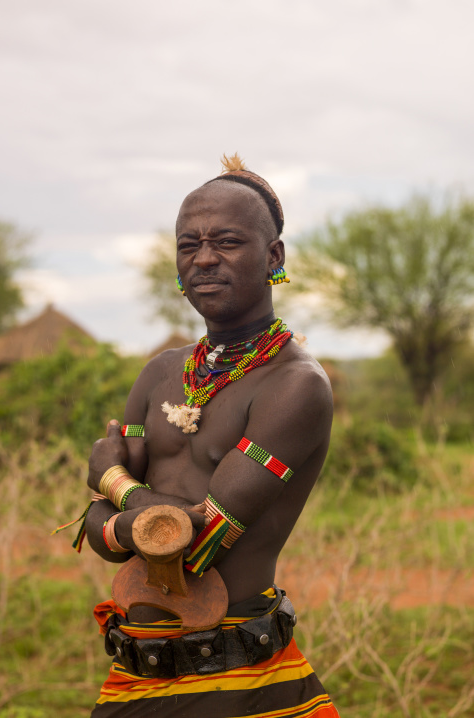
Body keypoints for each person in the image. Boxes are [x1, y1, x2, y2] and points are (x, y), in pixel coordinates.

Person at [83, 154, 340, 717]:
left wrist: (113, 479)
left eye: (226, 241)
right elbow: (92, 530)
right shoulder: (158, 373)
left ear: (273, 256)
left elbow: (195, 541)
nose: (203, 259)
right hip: (134, 675)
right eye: (187, 245)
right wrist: (127, 517)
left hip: (241, 680)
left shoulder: (295, 386)